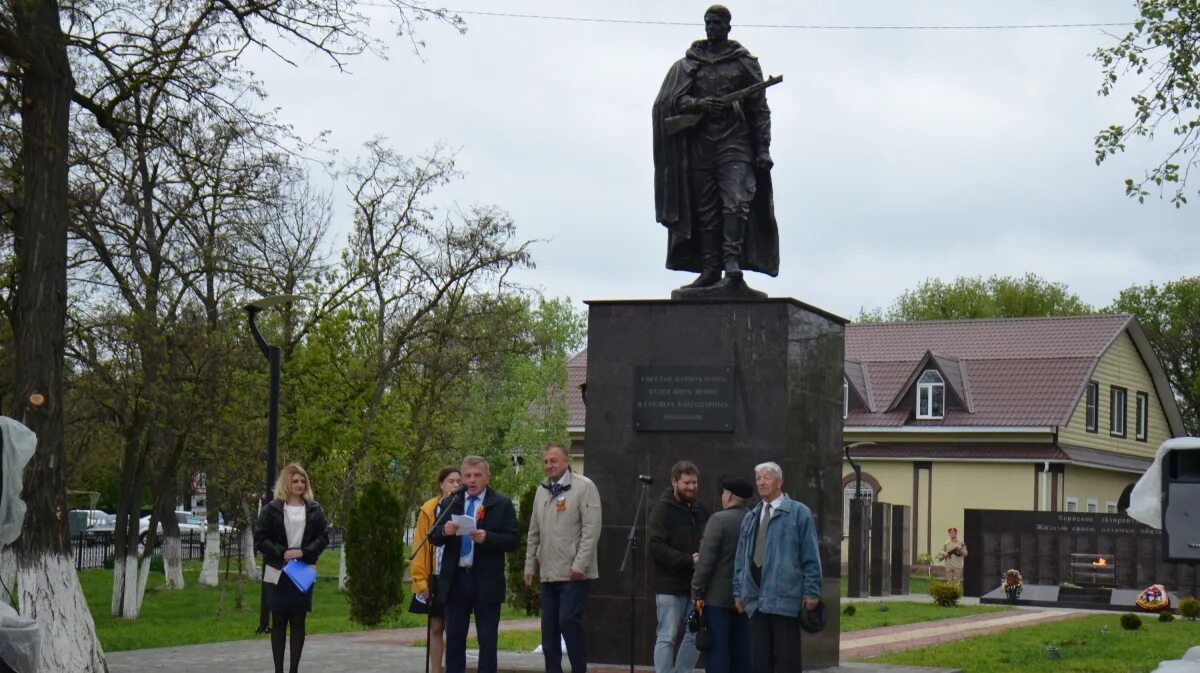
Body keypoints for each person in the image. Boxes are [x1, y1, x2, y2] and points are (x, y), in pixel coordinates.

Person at [653, 4, 779, 294]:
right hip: (700, 146)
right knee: (705, 209)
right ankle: (710, 270)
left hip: (735, 144)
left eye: (718, 23)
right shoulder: (688, 65)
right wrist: (698, 104)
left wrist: (763, 148)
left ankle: (732, 265)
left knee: (736, 200)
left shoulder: (743, 63)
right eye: (708, 22)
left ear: (728, 27)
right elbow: (669, 102)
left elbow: (760, 109)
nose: (712, 27)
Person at [431, 456, 518, 673]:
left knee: (487, 640)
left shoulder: (501, 504)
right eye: (467, 476)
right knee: (454, 638)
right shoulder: (451, 501)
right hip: (457, 579)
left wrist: (487, 538)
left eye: (477, 475)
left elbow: (513, 540)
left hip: (486, 580)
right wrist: (444, 531)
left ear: (487, 477)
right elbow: (433, 536)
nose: (472, 480)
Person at [733, 462, 822, 673]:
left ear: (780, 481)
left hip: (784, 599)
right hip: (756, 601)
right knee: (759, 663)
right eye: (758, 479)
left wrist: (812, 590)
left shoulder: (799, 513)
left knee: (786, 663)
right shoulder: (751, 517)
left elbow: (811, 555)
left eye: (767, 477)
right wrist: (738, 592)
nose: (761, 482)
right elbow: (740, 559)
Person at [524, 443, 603, 673]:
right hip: (548, 572)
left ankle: (579, 669)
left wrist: (580, 564)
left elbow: (592, 529)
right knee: (549, 634)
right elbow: (533, 532)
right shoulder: (541, 490)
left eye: (554, 460)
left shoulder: (584, 487)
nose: (549, 465)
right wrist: (530, 565)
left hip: (574, 574)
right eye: (546, 461)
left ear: (567, 461)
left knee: (568, 623)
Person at [253, 463, 330, 673]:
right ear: (287, 483)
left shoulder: (314, 509)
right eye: (295, 481)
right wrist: (281, 551)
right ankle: (279, 669)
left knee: (298, 620)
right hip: (277, 570)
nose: (299, 484)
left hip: (302, 570)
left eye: (303, 481)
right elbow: (260, 538)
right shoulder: (272, 509)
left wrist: (303, 552)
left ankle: (293, 669)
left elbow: (323, 537)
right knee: (278, 620)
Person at [648, 460, 710, 673]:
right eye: (686, 483)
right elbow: (655, 546)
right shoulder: (661, 510)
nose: (692, 487)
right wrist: (688, 560)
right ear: (674, 482)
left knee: (695, 634)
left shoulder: (701, 510)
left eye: (694, 482)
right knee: (667, 636)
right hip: (669, 586)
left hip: (695, 587)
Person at [691, 475, 753, 673]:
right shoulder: (754, 519)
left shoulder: (718, 520)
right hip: (746, 598)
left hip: (717, 600)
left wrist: (697, 591)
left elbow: (706, 562)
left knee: (717, 653)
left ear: (729, 496)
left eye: (724, 493)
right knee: (742, 653)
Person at [411, 466, 463, 673]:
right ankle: (435, 670)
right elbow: (420, 545)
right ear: (441, 484)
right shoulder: (429, 509)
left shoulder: (464, 506)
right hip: (435, 574)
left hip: (455, 575)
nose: (456, 485)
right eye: (451, 481)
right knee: (436, 627)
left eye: (459, 481)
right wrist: (421, 581)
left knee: (454, 629)